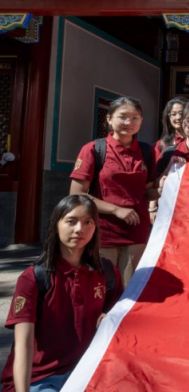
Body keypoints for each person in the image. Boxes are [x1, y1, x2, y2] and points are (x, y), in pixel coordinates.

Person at [2, 195, 124, 392]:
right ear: (56, 225)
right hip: (41, 378)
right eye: (71, 221)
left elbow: (121, 320)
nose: (79, 229)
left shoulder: (107, 272)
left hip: (87, 371)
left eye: (88, 222)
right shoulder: (33, 278)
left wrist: (109, 317)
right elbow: (23, 345)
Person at [69, 97, 156, 285]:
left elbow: (148, 191)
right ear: (109, 119)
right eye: (123, 117)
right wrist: (116, 209)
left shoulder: (147, 151)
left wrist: (167, 188)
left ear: (141, 121)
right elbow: (77, 195)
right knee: (101, 286)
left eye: (135, 118)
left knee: (131, 288)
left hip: (137, 232)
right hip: (103, 231)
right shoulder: (94, 149)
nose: (129, 122)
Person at [154, 97, 188, 163]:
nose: (178, 117)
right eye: (173, 114)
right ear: (168, 117)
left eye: (181, 113)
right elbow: (157, 168)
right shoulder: (161, 144)